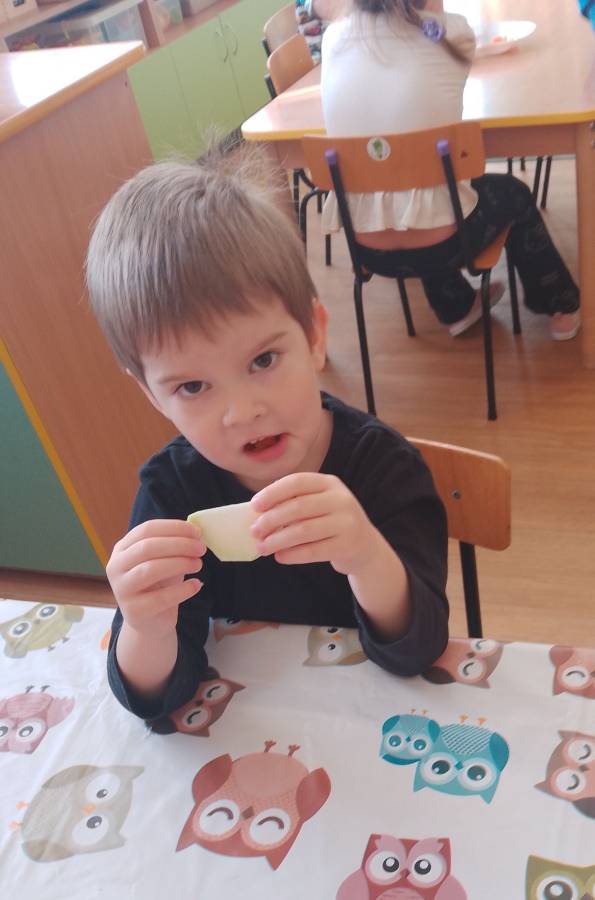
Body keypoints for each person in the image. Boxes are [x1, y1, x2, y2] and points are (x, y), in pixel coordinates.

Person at [85, 144, 449, 722]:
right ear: (153, 396)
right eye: (193, 387)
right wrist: (145, 624)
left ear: (314, 336)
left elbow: (420, 647)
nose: (242, 412)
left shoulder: (384, 467)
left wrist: (365, 554)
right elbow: (155, 697)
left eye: (262, 360)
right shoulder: (172, 494)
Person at [320, 0, 581, 341]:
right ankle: (559, 305)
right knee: (508, 194)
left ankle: (456, 306)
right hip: (448, 243)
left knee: (421, 191)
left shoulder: (333, 38)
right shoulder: (449, 33)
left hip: (367, 249)